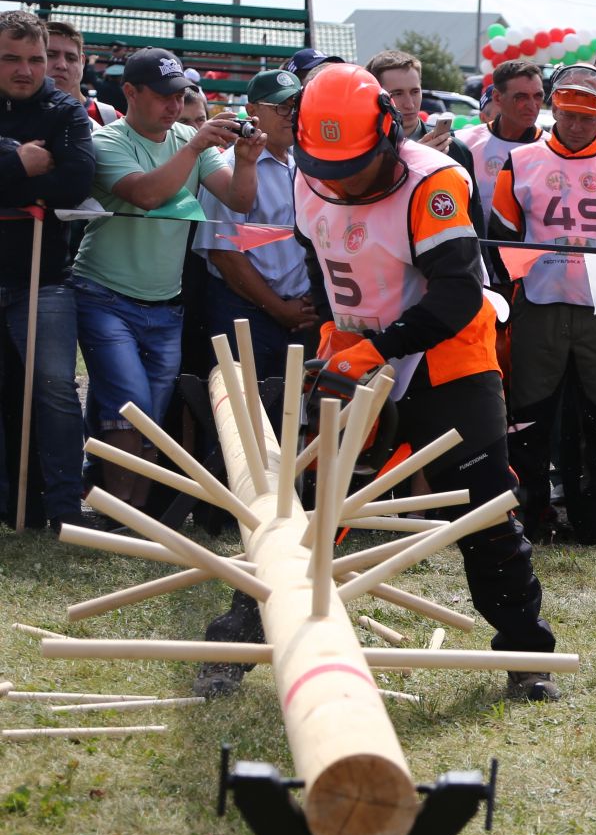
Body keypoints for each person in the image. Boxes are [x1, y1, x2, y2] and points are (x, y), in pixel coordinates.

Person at [212, 62, 558, 701]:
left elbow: (457, 294)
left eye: (355, 167)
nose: (342, 181)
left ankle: (526, 655)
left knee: (484, 505)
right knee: (306, 505)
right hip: (353, 351)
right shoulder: (307, 178)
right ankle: (238, 636)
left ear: (386, 133)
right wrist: (339, 338)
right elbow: (319, 262)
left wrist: (381, 347)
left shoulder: (436, 183)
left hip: (446, 358)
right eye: (328, 168)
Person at [75, 48, 261, 509]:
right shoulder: (107, 140)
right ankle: (122, 518)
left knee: (150, 416)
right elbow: (147, 194)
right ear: (131, 93)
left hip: (165, 301)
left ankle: (127, 515)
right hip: (103, 294)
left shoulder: (186, 137)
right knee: (131, 410)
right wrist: (197, 145)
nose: (174, 106)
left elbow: (239, 202)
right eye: (163, 96)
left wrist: (249, 160)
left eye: (179, 95)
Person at [491, 64, 596, 544]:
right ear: (553, 108)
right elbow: (501, 237)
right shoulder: (521, 161)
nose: (577, 125)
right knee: (528, 416)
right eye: (568, 115)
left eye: (587, 116)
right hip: (538, 305)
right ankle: (529, 517)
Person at [0, 10, 94, 529]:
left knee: (58, 387)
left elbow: (76, 181)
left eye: (34, 59)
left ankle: (64, 507)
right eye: (11, 58)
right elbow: (46, 177)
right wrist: (20, 163)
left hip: (44, 279)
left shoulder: (64, 111)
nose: (26, 69)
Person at [192, 68, 314, 379]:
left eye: (296, 106)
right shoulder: (231, 167)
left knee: (288, 416)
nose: (291, 115)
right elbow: (224, 254)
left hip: (296, 313)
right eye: (281, 107)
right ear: (252, 111)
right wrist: (279, 309)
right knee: (246, 414)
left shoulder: (302, 164)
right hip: (245, 312)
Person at [367, 48, 478, 189]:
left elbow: (470, 208)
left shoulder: (454, 148)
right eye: (397, 94)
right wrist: (415, 158)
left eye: (415, 92)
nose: (410, 104)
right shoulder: (362, 151)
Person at [457, 57, 543, 220]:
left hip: (529, 246)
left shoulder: (552, 148)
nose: (532, 105)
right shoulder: (464, 143)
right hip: (477, 243)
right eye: (521, 97)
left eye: (538, 96)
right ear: (497, 98)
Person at [45, 22, 115, 125]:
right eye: (50, 55)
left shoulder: (110, 118)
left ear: (82, 62)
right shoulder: (18, 116)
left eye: (71, 58)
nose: (62, 65)